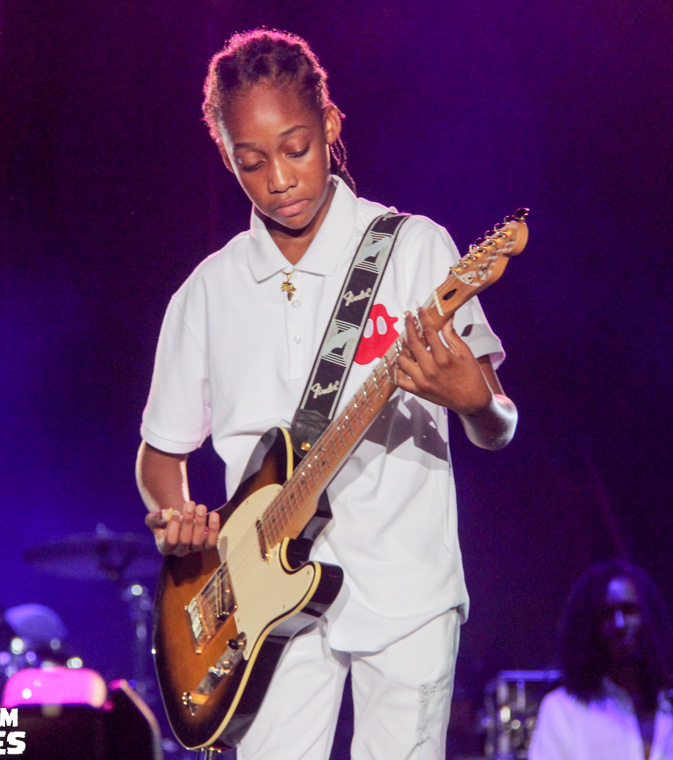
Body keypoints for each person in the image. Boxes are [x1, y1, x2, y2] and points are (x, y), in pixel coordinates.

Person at [134, 29, 517, 760]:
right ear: (225, 156)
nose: (279, 178)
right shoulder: (206, 293)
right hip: (259, 603)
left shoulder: (413, 250)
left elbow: (499, 422)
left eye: (297, 148)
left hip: (406, 588)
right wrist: (173, 512)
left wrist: (473, 399)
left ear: (331, 126)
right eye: (251, 161)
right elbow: (160, 455)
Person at [528, 560, 673, 760]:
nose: (619, 624)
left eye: (629, 610)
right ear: (589, 627)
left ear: (650, 618)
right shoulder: (562, 711)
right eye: (606, 614)